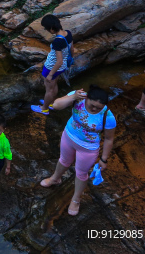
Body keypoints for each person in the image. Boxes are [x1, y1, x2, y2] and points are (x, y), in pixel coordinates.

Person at [40, 86, 116, 217]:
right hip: (68, 136)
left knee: (81, 173)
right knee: (63, 160)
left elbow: (109, 139)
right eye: (92, 105)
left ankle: (76, 199)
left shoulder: (107, 115)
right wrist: (73, 97)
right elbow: (56, 105)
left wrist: (104, 159)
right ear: (87, 98)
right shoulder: (78, 97)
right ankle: (55, 179)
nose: (94, 109)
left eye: (98, 108)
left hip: (88, 148)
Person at [30, 15, 72, 116]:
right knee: (54, 85)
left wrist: (50, 74)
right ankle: (51, 103)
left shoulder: (58, 41)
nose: (46, 30)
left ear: (52, 28)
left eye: (46, 28)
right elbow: (72, 49)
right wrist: (70, 61)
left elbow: (59, 61)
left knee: (49, 88)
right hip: (61, 68)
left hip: (52, 68)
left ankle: (44, 109)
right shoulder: (68, 33)